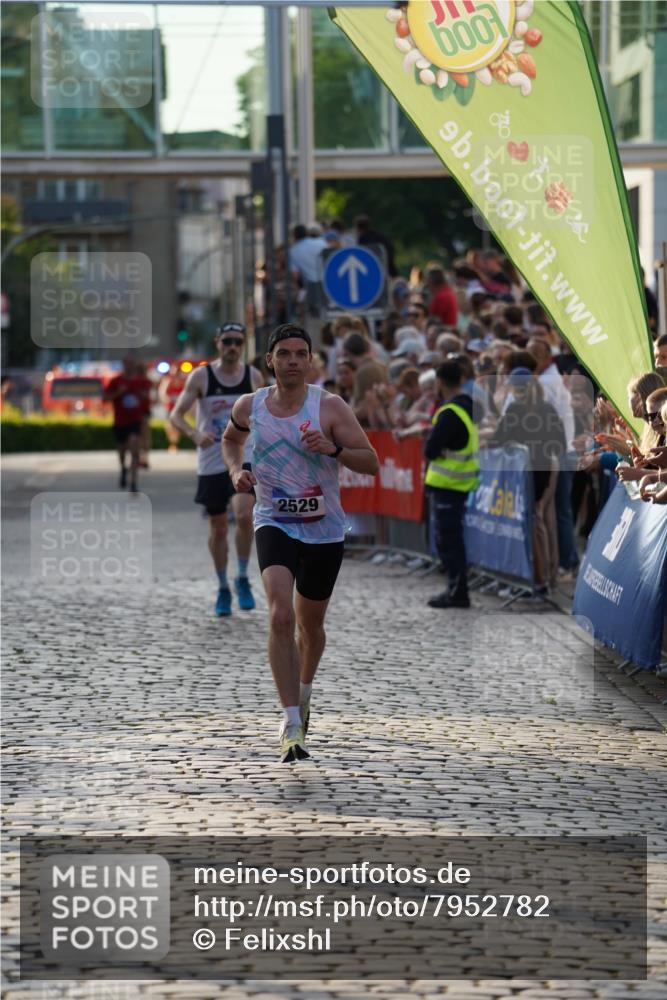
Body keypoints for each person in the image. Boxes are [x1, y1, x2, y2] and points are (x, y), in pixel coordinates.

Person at [222, 323, 379, 763]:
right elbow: (230, 440)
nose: (292, 361)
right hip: (273, 520)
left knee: (310, 628)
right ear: (269, 361)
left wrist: (331, 450)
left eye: (300, 354)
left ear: (310, 361)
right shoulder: (250, 405)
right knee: (279, 615)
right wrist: (237, 472)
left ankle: (304, 693)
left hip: (324, 528)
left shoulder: (329, 407)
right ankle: (291, 723)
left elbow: (371, 463)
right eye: (284, 353)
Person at [169, 322, 263, 617]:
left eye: (237, 341)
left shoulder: (253, 376)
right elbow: (176, 414)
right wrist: (194, 434)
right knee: (219, 526)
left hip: (243, 454)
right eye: (227, 342)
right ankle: (223, 585)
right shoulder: (202, 376)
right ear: (218, 343)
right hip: (211, 458)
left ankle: (244, 577)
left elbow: (265, 414)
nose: (233, 347)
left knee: (246, 516)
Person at [424, 359, 480, 609]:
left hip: (448, 485)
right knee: (451, 540)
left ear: (439, 382)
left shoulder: (450, 413)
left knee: (449, 542)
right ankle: (456, 589)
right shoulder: (469, 407)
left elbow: (431, 449)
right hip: (459, 484)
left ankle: (457, 592)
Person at [104, 356, 145, 493]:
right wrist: (118, 393)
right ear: (123, 365)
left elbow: (146, 398)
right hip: (120, 421)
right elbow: (105, 398)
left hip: (135, 421)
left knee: (134, 449)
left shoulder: (140, 381)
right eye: (126, 364)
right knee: (122, 450)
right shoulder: (116, 381)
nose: (129, 367)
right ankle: (123, 468)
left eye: (131, 364)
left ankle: (133, 482)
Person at [159, 363, 188, 452]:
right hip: (170, 408)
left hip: (179, 409)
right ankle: (172, 444)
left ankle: (175, 443)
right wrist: (168, 400)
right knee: (170, 426)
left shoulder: (183, 381)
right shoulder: (167, 380)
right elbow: (163, 393)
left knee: (178, 426)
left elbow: (187, 394)